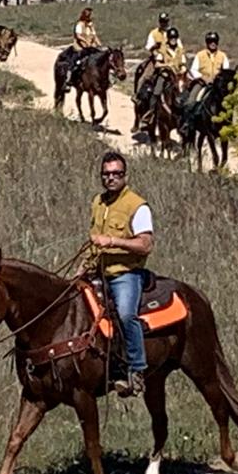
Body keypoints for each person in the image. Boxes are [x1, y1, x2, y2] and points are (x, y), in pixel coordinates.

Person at [86, 149, 154, 398]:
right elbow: (94, 240)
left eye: (116, 174)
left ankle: (136, 370)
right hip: (98, 270)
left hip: (125, 273)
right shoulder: (98, 202)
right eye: (106, 174)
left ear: (125, 175)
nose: (111, 178)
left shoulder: (137, 205)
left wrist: (114, 240)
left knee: (126, 315)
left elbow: (145, 244)